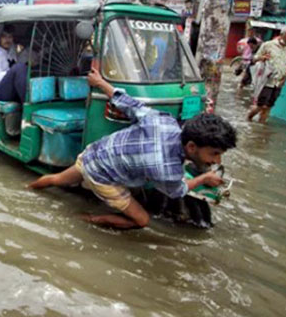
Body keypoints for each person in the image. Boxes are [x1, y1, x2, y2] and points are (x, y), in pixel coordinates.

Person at [29, 67, 237, 229]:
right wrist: (204, 178)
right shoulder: (166, 169)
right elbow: (178, 191)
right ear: (191, 146)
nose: (216, 161)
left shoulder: (164, 122)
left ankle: (27, 190)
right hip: (102, 175)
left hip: (93, 154)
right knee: (142, 221)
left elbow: (128, 103)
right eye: (214, 154)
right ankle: (86, 219)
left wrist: (100, 82)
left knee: (56, 180)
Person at [247, 25, 286, 123]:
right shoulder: (268, 45)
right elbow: (254, 58)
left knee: (269, 107)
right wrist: (261, 58)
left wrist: (284, 80)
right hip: (265, 80)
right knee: (261, 106)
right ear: (282, 34)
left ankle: (261, 128)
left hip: (278, 82)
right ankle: (249, 118)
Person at [0, 29, 29, 100]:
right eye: (4, 37)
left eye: (10, 37)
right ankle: (26, 101)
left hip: (12, 88)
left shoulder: (11, 49)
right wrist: (11, 71)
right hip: (1, 91)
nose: (7, 40)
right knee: (19, 68)